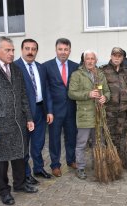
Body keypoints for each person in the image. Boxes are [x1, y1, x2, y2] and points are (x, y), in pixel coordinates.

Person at [0, 36, 38, 205]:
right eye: (7, 50)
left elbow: (23, 95)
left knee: (19, 155)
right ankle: (4, 191)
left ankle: (20, 184)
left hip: (18, 122)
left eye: (12, 50)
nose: (12, 53)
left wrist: (29, 118)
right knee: (1, 160)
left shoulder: (16, 69)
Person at [15, 39, 54, 185]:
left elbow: (47, 90)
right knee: (24, 145)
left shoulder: (41, 67)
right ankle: (26, 174)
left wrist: (49, 110)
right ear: (22, 50)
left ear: (37, 51)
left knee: (38, 143)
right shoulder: (15, 67)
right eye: (27, 48)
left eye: (33, 49)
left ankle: (38, 168)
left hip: (40, 110)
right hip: (24, 113)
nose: (30, 52)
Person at [68, 50, 110, 179]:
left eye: (93, 58)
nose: (90, 61)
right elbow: (71, 93)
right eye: (88, 59)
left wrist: (105, 98)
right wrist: (88, 94)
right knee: (81, 143)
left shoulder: (100, 74)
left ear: (96, 61)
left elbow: (107, 91)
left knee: (99, 142)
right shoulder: (77, 75)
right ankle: (80, 168)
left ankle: (97, 164)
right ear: (84, 60)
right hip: (85, 115)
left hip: (99, 115)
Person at [43, 38, 79, 177]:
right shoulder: (46, 66)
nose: (63, 52)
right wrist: (49, 110)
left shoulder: (75, 66)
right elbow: (46, 90)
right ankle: (55, 165)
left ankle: (71, 160)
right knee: (54, 138)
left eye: (66, 49)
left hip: (71, 109)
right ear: (56, 50)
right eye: (60, 49)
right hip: (55, 111)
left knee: (71, 137)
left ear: (70, 50)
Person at [100, 47, 127, 152]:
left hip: (122, 108)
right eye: (114, 56)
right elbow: (100, 87)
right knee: (108, 132)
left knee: (120, 132)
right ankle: (109, 153)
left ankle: (116, 154)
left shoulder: (126, 71)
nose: (116, 58)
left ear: (122, 58)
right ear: (111, 56)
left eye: (119, 56)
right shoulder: (103, 70)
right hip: (109, 108)